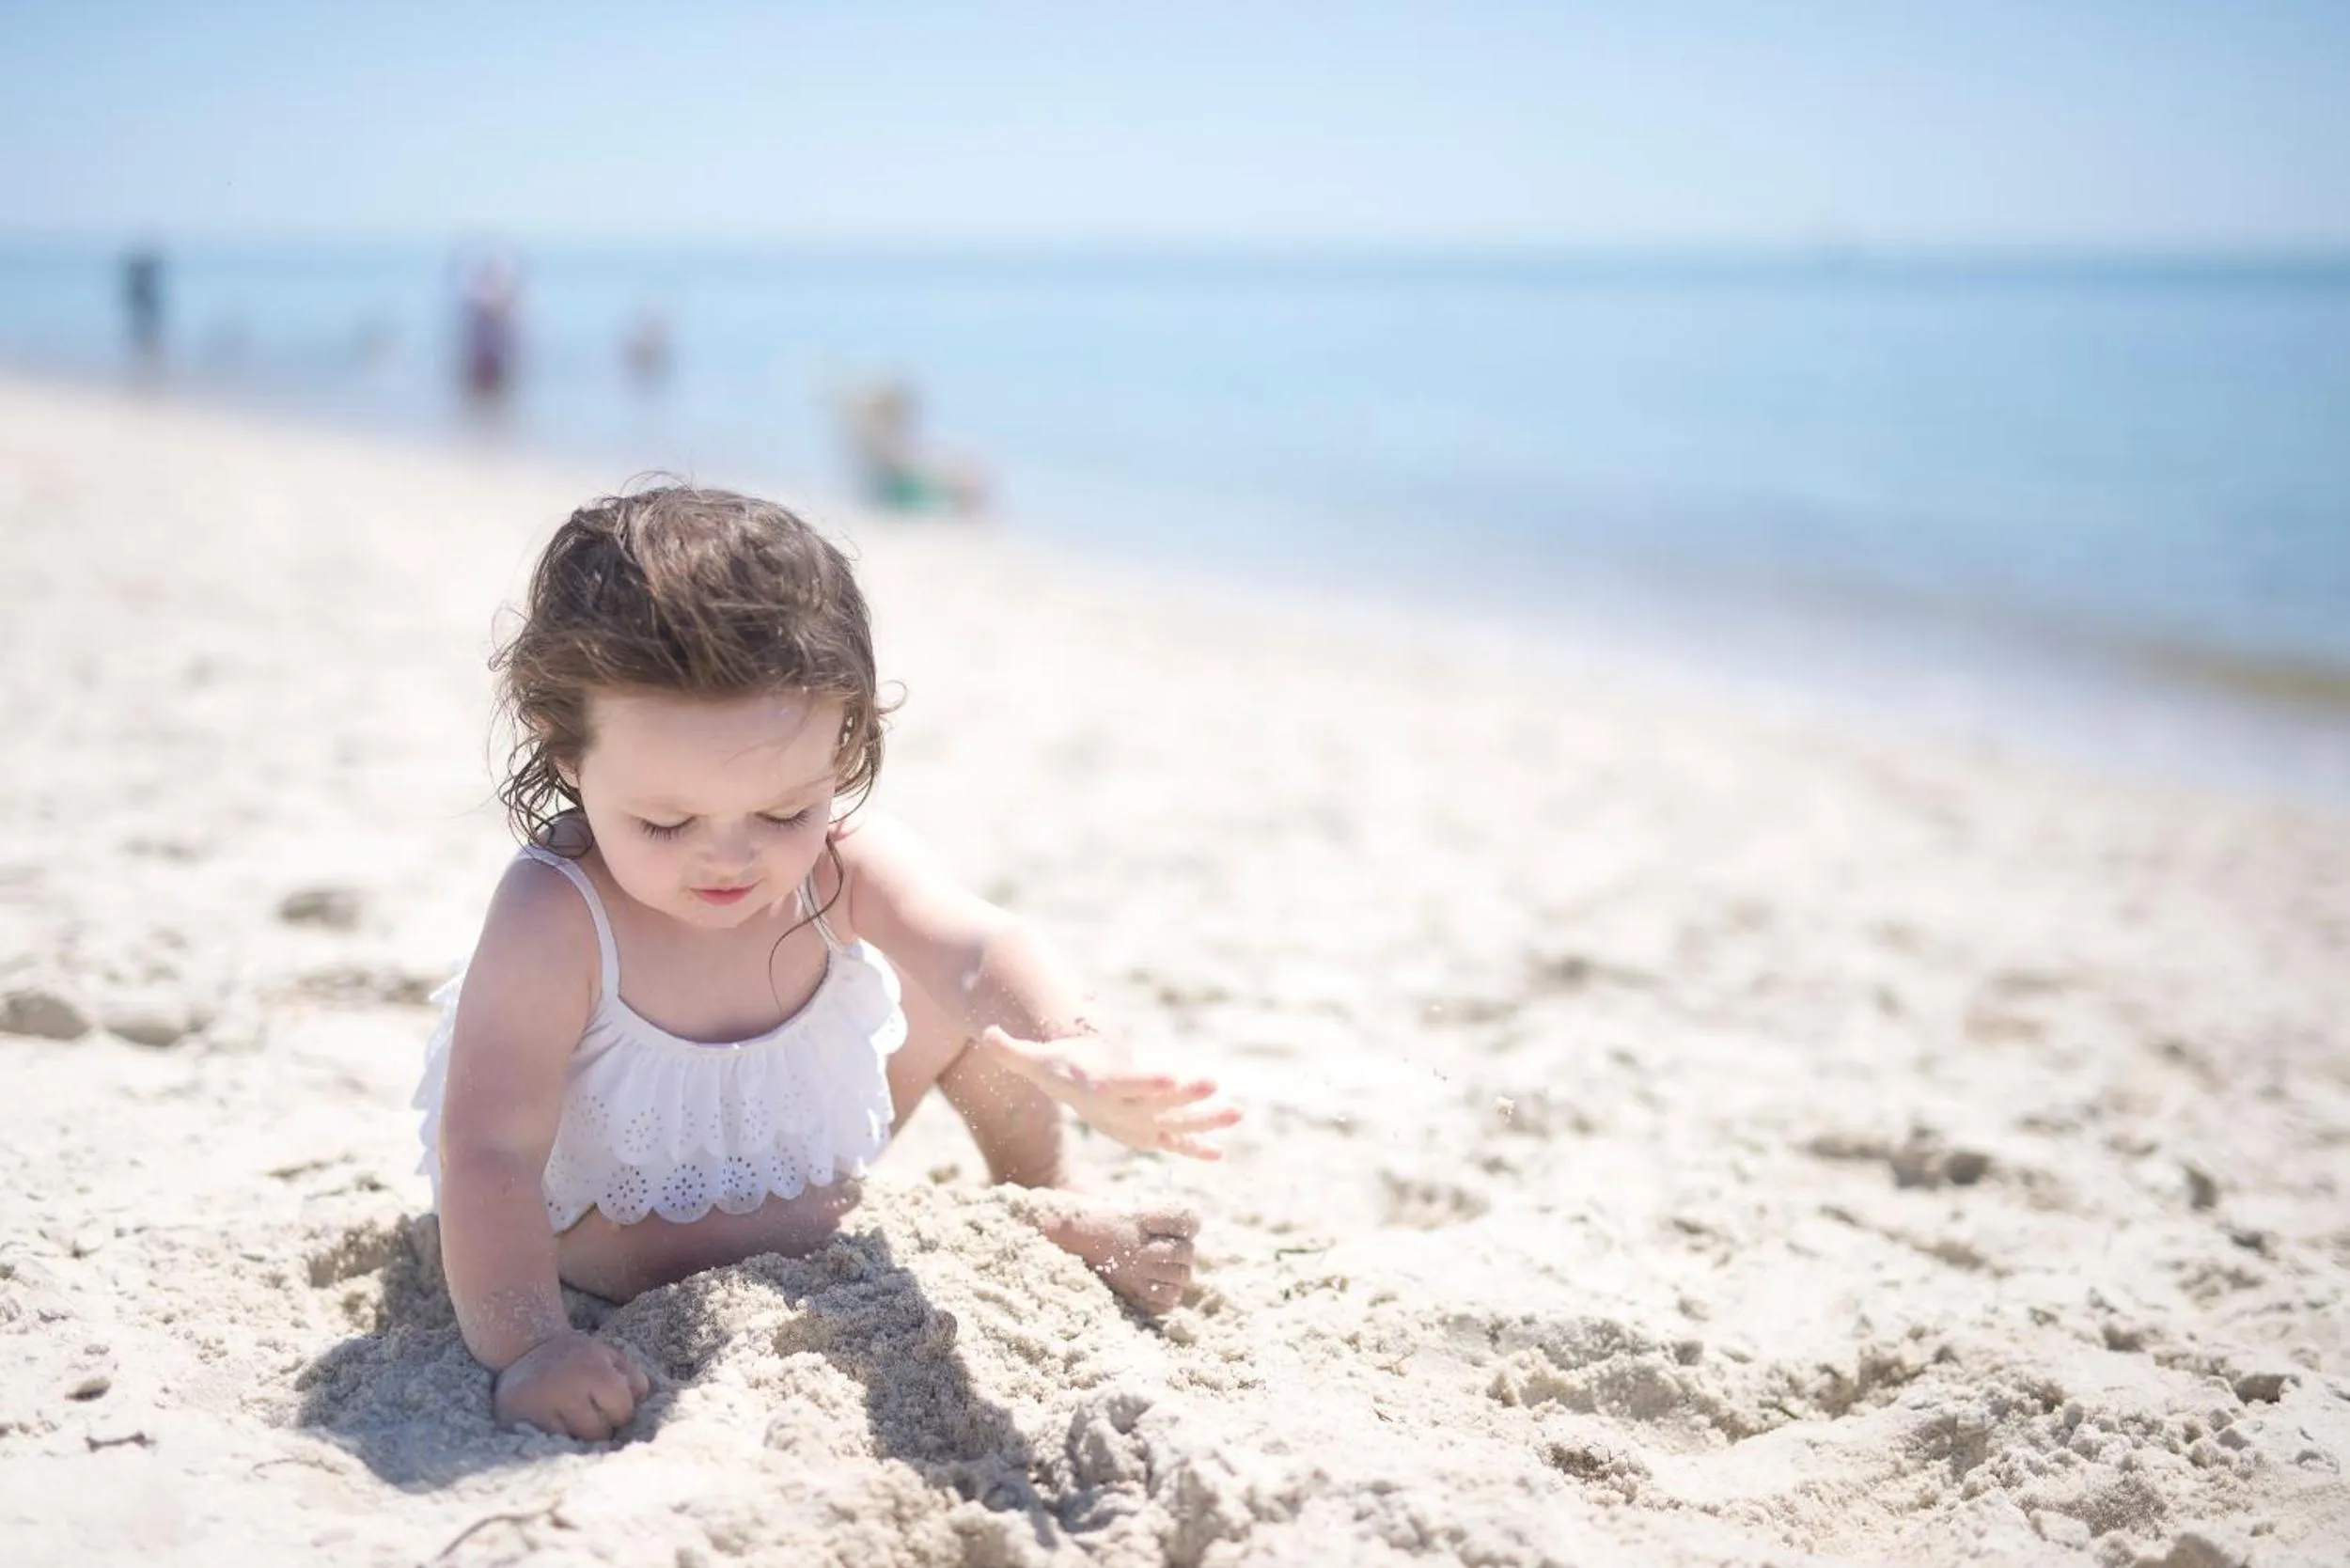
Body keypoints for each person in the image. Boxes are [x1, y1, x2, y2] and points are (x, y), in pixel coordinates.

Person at [411, 485, 1237, 1440]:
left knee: (958, 1000)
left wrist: (1079, 1049)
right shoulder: (555, 915)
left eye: (782, 812)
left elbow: (980, 949)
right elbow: (490, 1151)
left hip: (796, 1153)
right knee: (733, 1228)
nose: (729, 859)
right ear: (567, 757)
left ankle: (1046, 1188)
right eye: (666, 823)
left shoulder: (841, 862)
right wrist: (532, 1347)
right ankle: (1025, 1230)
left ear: (843, 744)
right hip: (617, 1230)